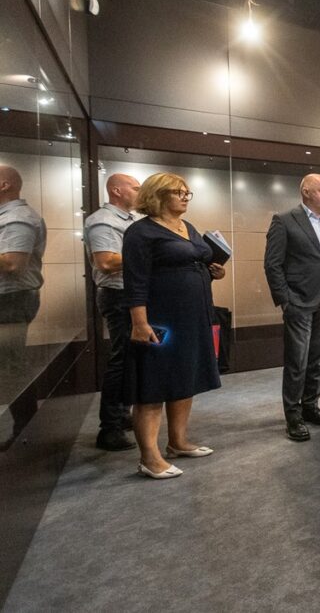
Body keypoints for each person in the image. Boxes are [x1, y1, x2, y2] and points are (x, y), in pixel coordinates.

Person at [123, 173, 224, 479]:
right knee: (154, 385)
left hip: (193, 316)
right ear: (157, 195)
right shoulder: (140, 233)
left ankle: (177, 442)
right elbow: (135, 280)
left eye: (187, 193)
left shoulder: (186, 227)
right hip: (160, 319)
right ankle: (149, 457)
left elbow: (195, 259)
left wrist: (212, 270)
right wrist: (139, 322)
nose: (184, 197)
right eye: (178, 192)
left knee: (185, 378)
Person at [264, 174, 320, 442]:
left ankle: (311, 406)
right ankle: (293, 415)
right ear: (306, 192)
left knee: (317, 357)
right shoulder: (285, 220)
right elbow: (272, 264)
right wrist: (285, 300)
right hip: (299, 301)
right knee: (297, 360)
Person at [84, 173, 140, 452]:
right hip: (117, 295)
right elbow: (106, 261)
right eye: (135, 187)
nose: (140, 192)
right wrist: (150, 253)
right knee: (122, 359)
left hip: (130, 294)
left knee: (131, 358)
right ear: (116, 190)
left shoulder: (130, 222)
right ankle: (109, 428)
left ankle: (121, 414)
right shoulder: (102, 221)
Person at [0, 165, 46, 402]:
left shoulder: (18, 218)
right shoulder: (9, 217)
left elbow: (12, 264)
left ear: (4, 185)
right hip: (10, 298)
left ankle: (23, 429)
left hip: (11, 299)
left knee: (10, 365)